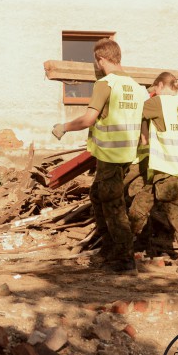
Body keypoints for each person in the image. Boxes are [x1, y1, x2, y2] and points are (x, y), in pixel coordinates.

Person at [51, 38, 147, 275]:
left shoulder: (106, 84)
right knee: (98, 196)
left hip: (111, 155)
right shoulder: (137, 87)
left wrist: (64, 127)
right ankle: (109, 249)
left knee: (113, 206)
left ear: (101, 60)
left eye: (96, 61)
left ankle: (122, 258)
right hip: (128, 154)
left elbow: (88, 119)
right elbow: (144, 125)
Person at [128, 72, 178, 274]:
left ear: (162, 85)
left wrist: (144, 92)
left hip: (166, 165)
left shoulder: (160, 102)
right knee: (141, 204)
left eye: (156, 88)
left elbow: (134, 111)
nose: (154, 92)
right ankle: (123, 250)